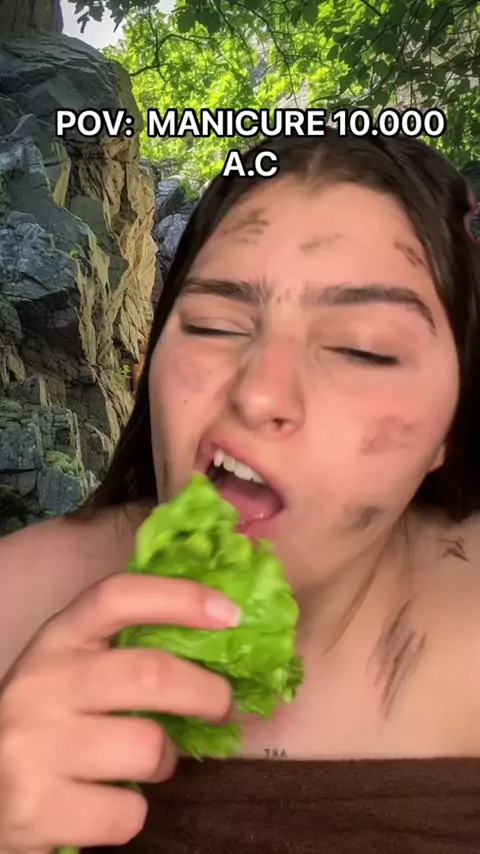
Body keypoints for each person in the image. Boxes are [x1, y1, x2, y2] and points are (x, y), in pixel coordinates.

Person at [1, 128, 480, 854]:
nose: (259, 394)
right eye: (214, 326)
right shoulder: (14, 606)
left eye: (363, 348)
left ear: (454, 418)